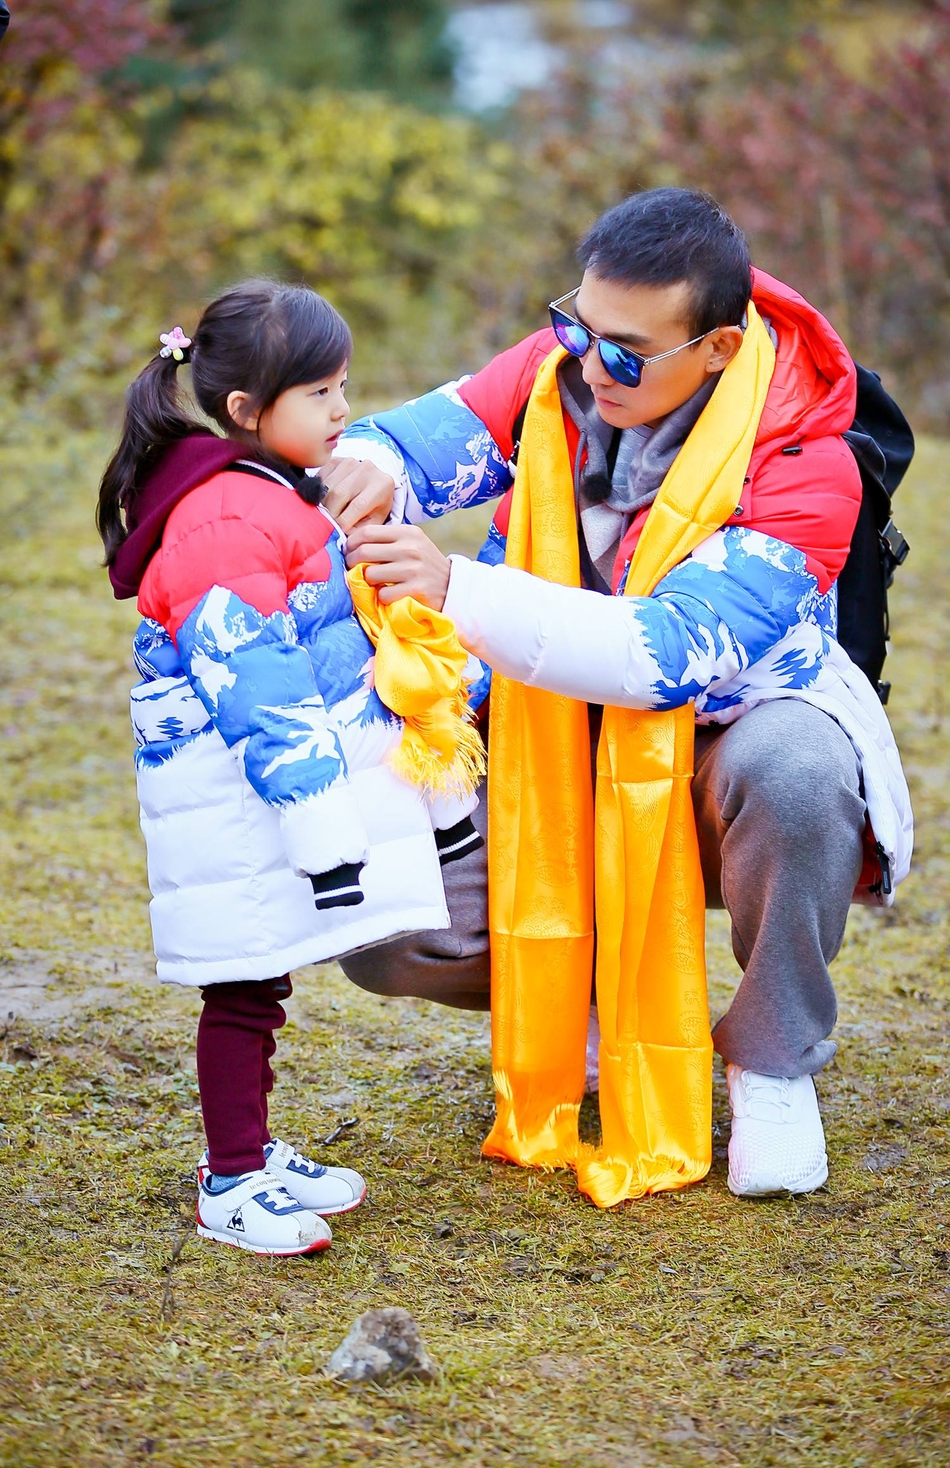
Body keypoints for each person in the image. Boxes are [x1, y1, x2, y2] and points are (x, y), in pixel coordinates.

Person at [333, 188, 913, 1203]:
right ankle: (590, 1002)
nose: (591, 365)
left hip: (717, 749)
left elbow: (666, 653)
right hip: (547, 748)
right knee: (373, 912)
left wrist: (455, 587)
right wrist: (357, 470)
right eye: (577, 327)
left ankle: (770, 1062)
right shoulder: (561, 369)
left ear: (720, 348)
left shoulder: (806, 464)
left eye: (629, 352)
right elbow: (412, 440)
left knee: (799, 771)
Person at [97, 280, 481, 1254]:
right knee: (241, 986)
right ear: (245, 412)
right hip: (237, 801)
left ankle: (252, 1151)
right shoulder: (226, 520)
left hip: (253, 796)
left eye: (343, 385)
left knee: (259, 986)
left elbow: (346, 663)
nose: (343, 410)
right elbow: (256, 688)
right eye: (319, 392)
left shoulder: (270, 495)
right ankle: (230, 1179)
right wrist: (320, 822)